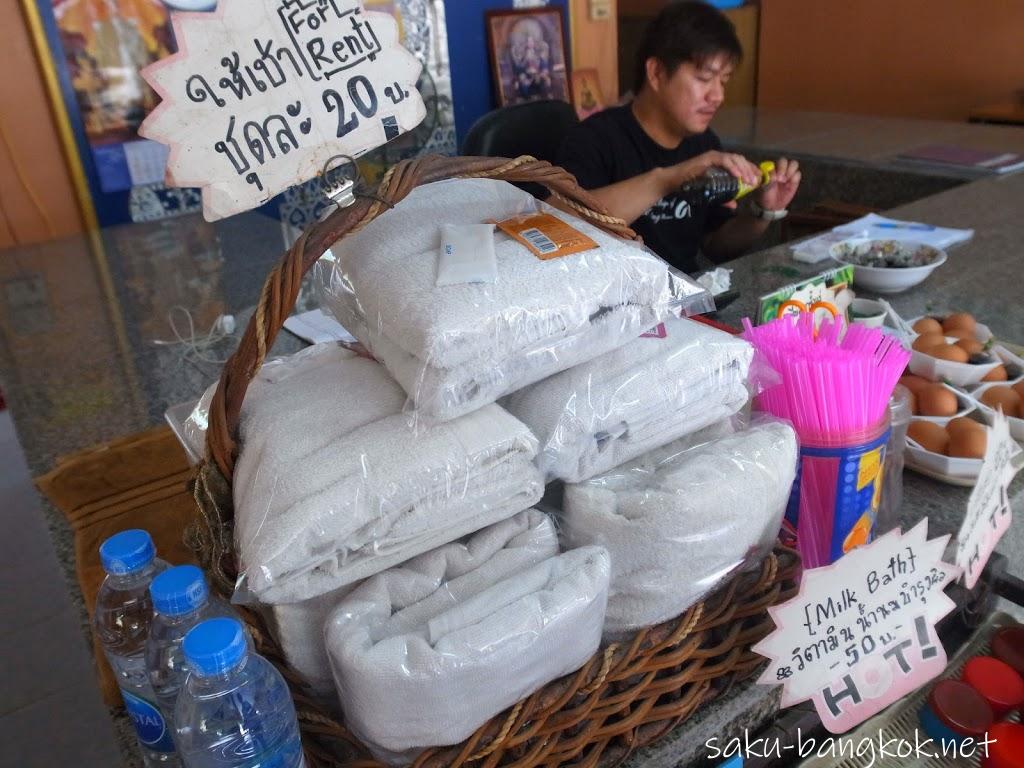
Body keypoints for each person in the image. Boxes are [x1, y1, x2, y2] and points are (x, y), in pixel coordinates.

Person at [557, 1, 801, 274]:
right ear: (657, 73)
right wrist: (668, 179)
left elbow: (716, 246)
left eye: (723, 81)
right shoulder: (595, 138)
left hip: (683, 302)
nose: (717, 96)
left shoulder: (704, 144)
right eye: (704, 77)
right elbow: (564, 225)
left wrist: (762, 212)